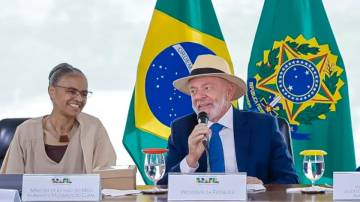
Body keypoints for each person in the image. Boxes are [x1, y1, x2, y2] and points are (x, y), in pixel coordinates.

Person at [158, 54, 298, 185]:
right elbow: (163, 187)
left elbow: (290, 181)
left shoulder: (263, 126)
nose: (198, 97)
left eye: (206, 88)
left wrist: (260, 187)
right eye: (193, 91)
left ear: (229, 92)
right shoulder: (181, 129)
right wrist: (191, 160)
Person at [0, 63, 116, 174]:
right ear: (52, 92)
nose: (80, 99)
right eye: (72, 91)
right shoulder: (25, 131)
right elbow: (10, 184)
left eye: (84, 94)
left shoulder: (93, 128)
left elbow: (107, 178)